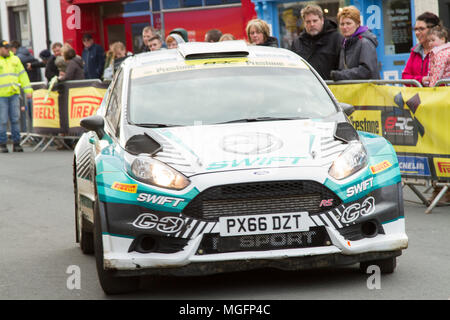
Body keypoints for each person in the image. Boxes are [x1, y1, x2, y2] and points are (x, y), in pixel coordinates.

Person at [290, 5, 343, 80]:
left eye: (315, 21)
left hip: (329, 88)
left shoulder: (336, 39)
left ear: (322, 20)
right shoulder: (297, 42)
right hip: (304, 87)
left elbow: (342, 68)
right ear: (304, 23)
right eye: (308, 22)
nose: (312, 24)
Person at [330, 6, 380, 80]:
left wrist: (340, 75)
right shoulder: (345, 43)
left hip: (366, 90)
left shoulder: (365, 42)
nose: (345, 27)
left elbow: (366, 71)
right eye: (342, 24)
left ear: (358, 24)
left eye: (348, 23)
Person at [0, 40, 32, 153]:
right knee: (2, 120)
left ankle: (16, 143)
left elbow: (23, 76)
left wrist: (28, 89)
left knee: (15, 119)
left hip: (14, 94)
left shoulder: (15, 59)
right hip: (1, 95)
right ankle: (2, 144)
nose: (7, 50)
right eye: (5, 48)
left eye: (8, 47)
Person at [402, 12, 441, 85]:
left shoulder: (444, 51)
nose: (417, 33)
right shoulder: (415, 51)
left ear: (434, 29)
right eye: (415, 29)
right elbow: (405, 77)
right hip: (419, 95)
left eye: (421, 29)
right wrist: (421, 80)